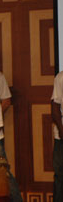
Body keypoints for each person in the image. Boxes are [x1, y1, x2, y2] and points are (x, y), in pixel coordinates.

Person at [51, 71, 63, 201]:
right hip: (62, 136)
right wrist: (61, 129)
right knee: (60, 174)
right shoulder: (61, 77)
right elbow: (55, 105)